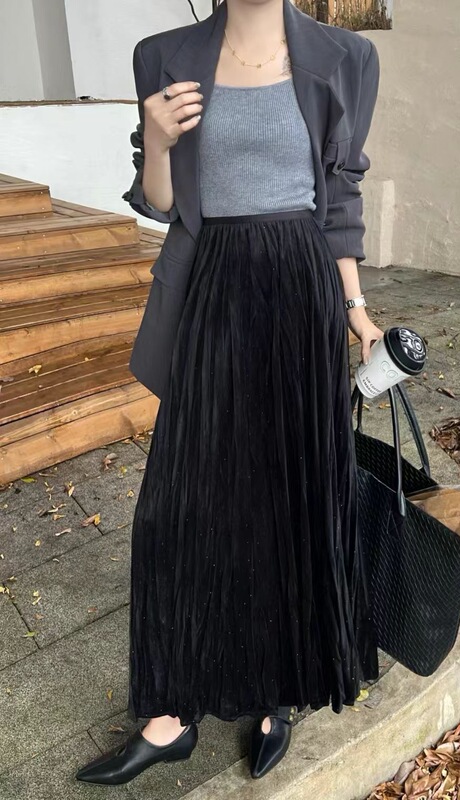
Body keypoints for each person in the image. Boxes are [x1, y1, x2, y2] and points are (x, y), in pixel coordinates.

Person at [76, 0, 382, 786]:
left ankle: (282, 687)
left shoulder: (346, 58)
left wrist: (355, 310)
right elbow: (162, 202)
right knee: (181, 502)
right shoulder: (164, 54)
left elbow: (339, 197)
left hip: (301, 288)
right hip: (212, 286)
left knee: (290, 492)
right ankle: (171, 712)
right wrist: (158, 143)